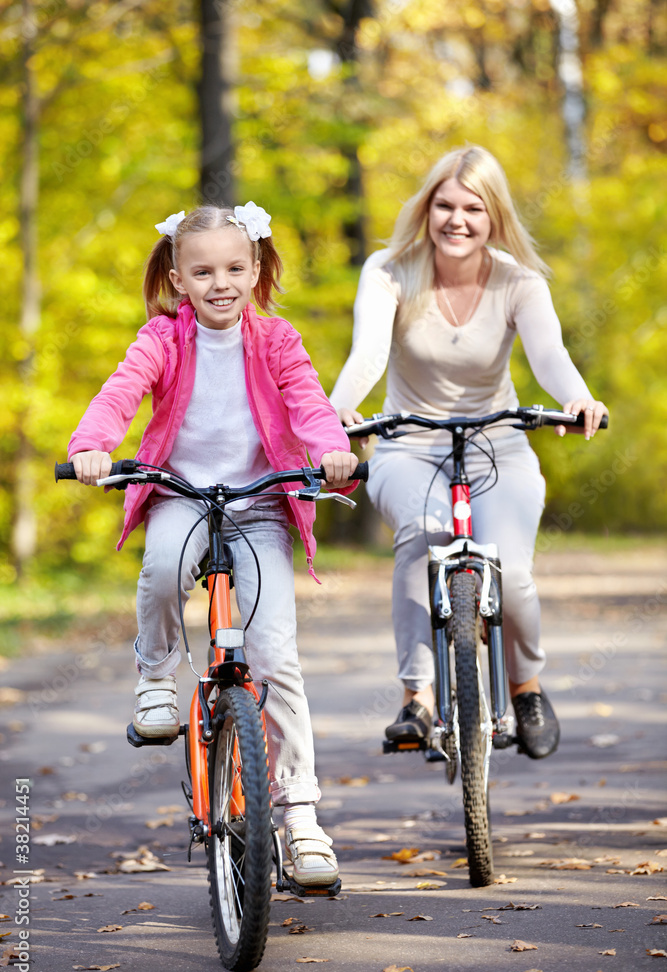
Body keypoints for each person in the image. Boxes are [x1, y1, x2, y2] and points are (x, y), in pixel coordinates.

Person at [68, 202, 358, 886]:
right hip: (182, 494)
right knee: (163, 567)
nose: (219, 282)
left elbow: (308, 401)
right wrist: (92, 445)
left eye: (234, 267)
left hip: (258, 505)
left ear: (255, 269)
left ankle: (302, 821)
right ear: (177, 277)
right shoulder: (162, 339)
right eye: (202, 271)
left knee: (274, 657)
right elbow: (121, 391)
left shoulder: (278, 340)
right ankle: (155, 676)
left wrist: (332, 450)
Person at [330, 145, 608, 760]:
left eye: (473, 209)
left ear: (494, 217)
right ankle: (418, 698)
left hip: (498, 443)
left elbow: (549, 356)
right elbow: (369, 354)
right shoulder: (388, 270)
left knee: (511, 571)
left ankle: (526, 687)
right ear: (426, 210)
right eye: (444, 205)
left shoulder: (519, 282)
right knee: (421, 537)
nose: (457, 220)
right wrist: (336, 415)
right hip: (410, 443)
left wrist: (580, 400)